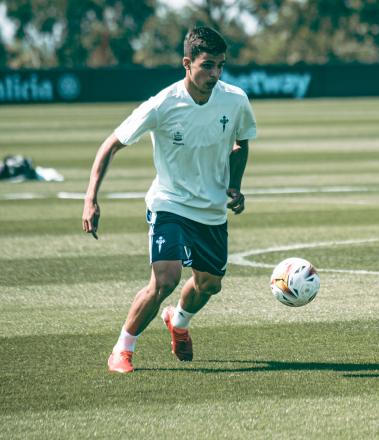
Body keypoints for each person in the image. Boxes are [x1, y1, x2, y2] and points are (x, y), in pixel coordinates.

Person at [82, 26, 257, 373]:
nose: (215, 74)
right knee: (165, 279)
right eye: (208, 65)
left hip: (210, 210)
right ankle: (122, 349)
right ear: (187, 63)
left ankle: (178, 322)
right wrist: (91, 199)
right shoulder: (162, 104)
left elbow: (242, 142)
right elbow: (110, 145)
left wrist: (234, 186)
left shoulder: (235, 99)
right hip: (170, 203)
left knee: (210, 284)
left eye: (221, 66)